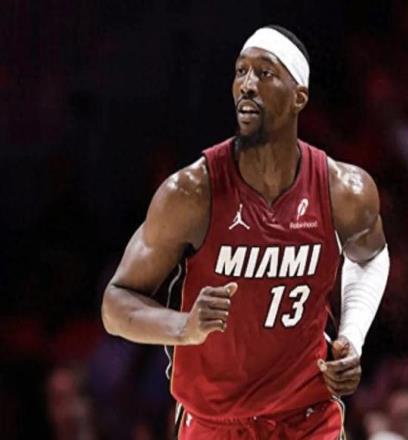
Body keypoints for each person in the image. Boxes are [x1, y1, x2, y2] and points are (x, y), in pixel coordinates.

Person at [101, 25, 390, 439]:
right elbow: (115, 305)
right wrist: (185, 326)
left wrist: (352, 338)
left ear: (299, 97)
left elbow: (371, 256)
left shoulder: (344, 190)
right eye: (240, 72)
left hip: (306, 417)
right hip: (215, 422)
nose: (247, 84)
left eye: (264, 72)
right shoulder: (191, 192)